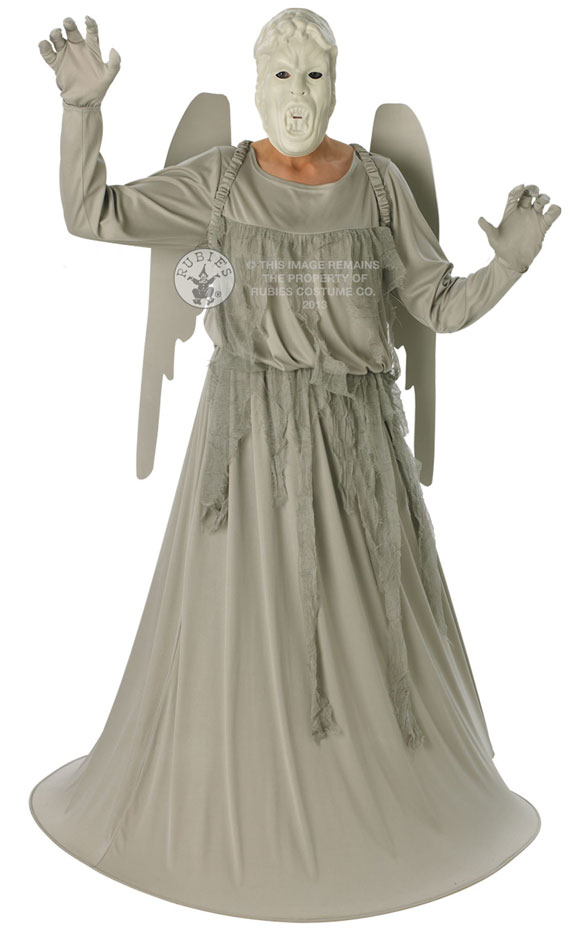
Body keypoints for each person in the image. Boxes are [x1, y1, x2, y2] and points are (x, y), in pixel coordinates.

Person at [30, 9, 561, 921]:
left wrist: (506, 264)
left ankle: (373, 803)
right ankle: (241, 795)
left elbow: (435, 305)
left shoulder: (380, 187)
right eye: (282, 75)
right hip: (246, 447)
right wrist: (83, 111)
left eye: (314, 75)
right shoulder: (221, 181)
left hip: (358, 450)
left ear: (337, 85)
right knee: (240, 631)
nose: (298, 94)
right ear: (256, 85)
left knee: (369, 630)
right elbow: (94, 214)